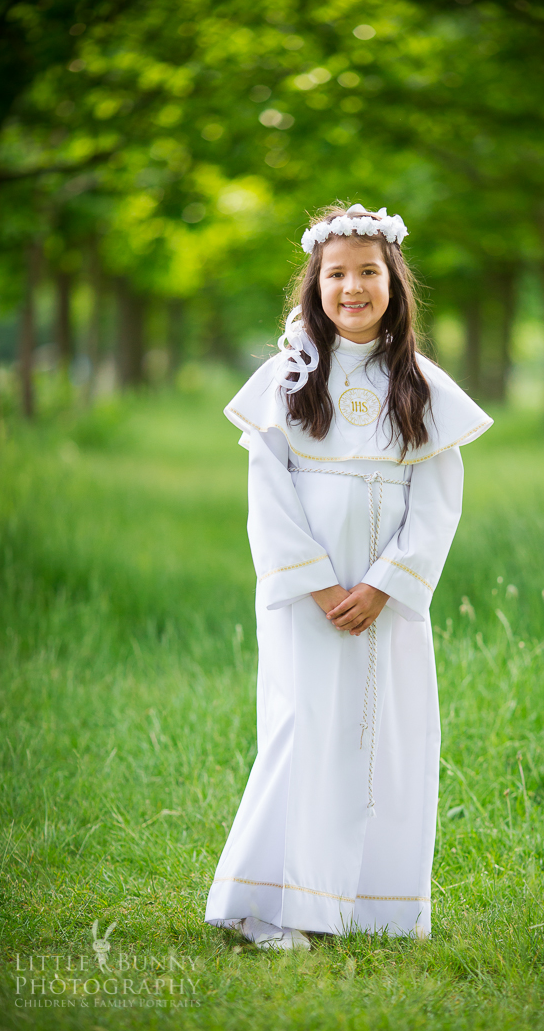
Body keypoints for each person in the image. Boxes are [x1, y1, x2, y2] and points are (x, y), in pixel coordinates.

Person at [204, 202, 493, 950]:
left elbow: (437, 505)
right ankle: (274, 903)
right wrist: (322, 585)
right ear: (315, 286)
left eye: (369, 272)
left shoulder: (420, 385)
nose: (353, 287)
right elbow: (267, 497)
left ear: (394, 283)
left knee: (385, 741)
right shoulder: (287, 378)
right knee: (305, 732)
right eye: (337, 274)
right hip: (308, 598)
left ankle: (373, 905)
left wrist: (385, 585)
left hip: (388, 603)